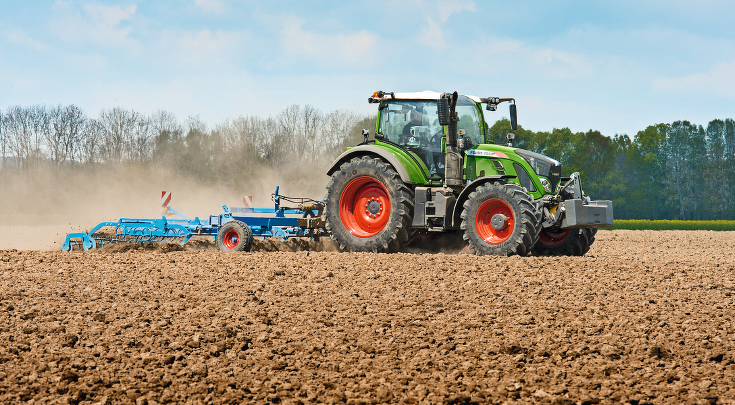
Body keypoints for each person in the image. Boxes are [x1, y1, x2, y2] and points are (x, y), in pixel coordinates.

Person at [402, 109, 438, 177]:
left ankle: (441, 170)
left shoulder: (421, 126)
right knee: (428, 150)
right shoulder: (406, 128)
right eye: (418, 116)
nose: (420, 117)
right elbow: (405, 138)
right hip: (414, 148)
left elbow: (424, 138)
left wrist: (428, 143)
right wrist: (410, 138)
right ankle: (432, 172)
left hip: (423, 146)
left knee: (439, 149)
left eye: (420, 116)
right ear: (412, 116)